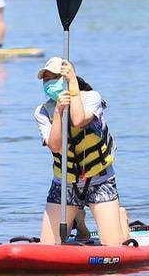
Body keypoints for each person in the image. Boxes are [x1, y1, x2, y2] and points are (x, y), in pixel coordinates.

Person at [35, 58, 129, 247]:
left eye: (54, 77)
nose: (49, 83)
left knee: (115, 246)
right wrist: (59, 111)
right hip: (65, 184)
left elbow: (78, 120)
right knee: (47, 247)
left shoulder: (91, 98)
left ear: (67, 78)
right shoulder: (42, 112)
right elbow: (56, 146)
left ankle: (120, 217)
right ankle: (77, 216)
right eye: (45, 79)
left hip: (99, 180)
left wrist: (73, 88)